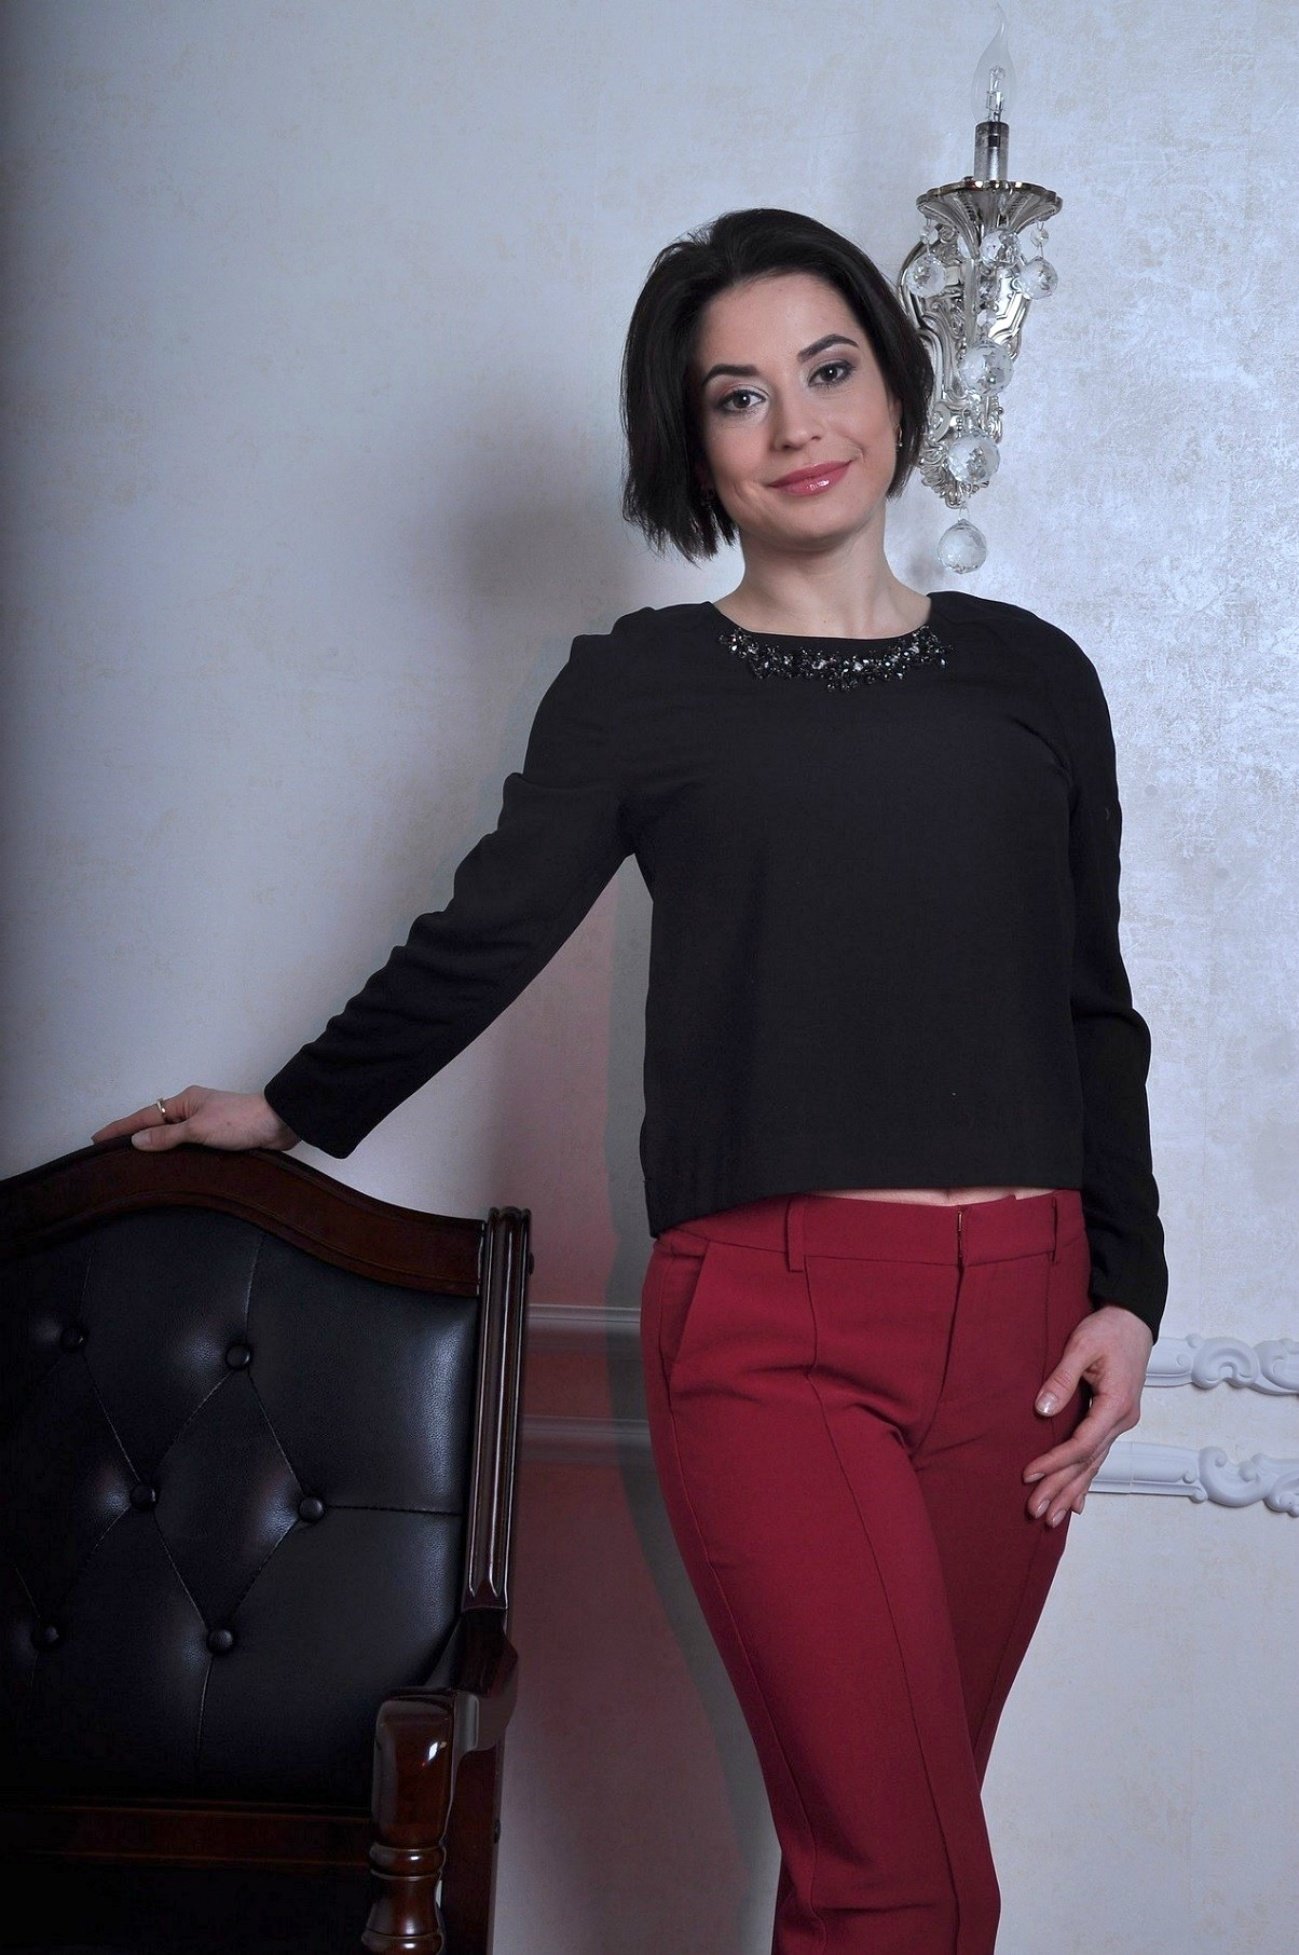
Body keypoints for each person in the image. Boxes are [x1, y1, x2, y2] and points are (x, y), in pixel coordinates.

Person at [92, 206, 1166, 1954]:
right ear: (692, 446)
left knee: (872, 1860)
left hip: (1029, 1331)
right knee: (919, 1887)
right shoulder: (643, 685)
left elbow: (1090, 1005)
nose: (798, 425)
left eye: (828, 369)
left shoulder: (1036, 674)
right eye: (739, 397)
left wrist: (1130, 1288)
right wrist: (285, 1107)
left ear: (896, 384)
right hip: (777, 1325)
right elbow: (484, 934)